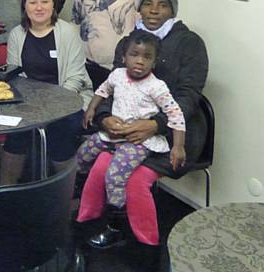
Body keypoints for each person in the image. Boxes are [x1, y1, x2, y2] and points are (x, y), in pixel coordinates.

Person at [76, 0, 209, 258]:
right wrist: (103, 118)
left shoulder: (190, 43)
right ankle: (97, 221)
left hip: (173, 135)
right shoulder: (129, 41)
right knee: (100, 163)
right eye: (147, 3)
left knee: (135, 180)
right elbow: (112, 87)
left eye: (162, 5)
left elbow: (189, 97)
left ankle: (146, 243)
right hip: (127, 129)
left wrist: (154, 125)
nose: (154, 10)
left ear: (172, 10)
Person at [77, 29, 186, 243]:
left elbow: (176, 114)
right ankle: (82, 199)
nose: (140, 61)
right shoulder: (117, 74)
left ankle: (116, 221)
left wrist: (178, 146)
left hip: (137, 141)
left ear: (154, 62)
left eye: (147, 57)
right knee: (83, 154)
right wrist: (92, 109)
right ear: (124, 57)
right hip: (113, 134)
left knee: (114, 176)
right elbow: (102, 90)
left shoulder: (156, 86)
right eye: (134, 55)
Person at [0, 0, 92, 185]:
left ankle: (64, 192)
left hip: (68, 100)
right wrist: (32, 107)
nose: (39, 7)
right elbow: (15, 76)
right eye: (33, 2)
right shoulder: (17, 34)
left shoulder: (67, 32)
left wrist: (51, 109)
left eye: (44, 1)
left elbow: (76, 78)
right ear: (25, 6)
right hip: (29, 103)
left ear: (53, 5)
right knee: (17, 133)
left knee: (61, 130)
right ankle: (5, 190)